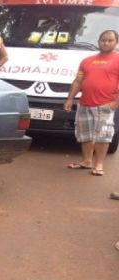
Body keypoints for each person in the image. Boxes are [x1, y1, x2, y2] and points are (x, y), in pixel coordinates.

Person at [64, 30, 119, 176]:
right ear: (98, 41)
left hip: (105, 104)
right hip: (84, 103)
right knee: (85, 134)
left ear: (116, 43)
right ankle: (87, 161)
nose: (106, 43)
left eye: (110, 40)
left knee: (103, 135)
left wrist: (115, 104)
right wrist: (70, 98)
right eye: (103, 40)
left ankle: (99, 164)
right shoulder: (87, 60)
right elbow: (78, 81)